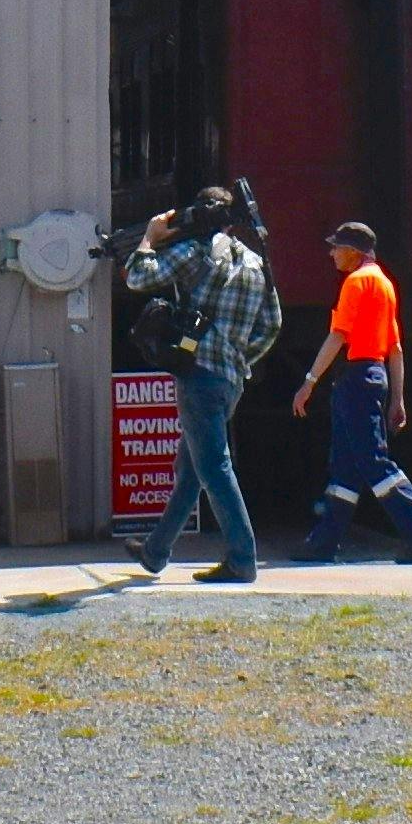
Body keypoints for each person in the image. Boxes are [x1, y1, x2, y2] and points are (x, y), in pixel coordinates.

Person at [122, 183, 277, 587]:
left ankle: (243, 559)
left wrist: (149, 238)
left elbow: (138, 277)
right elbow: (271, 325)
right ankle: (156, 554)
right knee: (191, 470)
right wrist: (240, 357)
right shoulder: (256, 264)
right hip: (229, 381)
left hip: (199, 377)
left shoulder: (196, 254)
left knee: (213, 467)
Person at [282, 218, 412, 566]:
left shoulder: (355, 283)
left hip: (355, 378)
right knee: (346, 468)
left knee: (374, 462)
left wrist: (309, 381)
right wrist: (398, 397)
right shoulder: (386, 285)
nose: (331, 253)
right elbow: (395, 348)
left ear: (353, 252)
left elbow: (337, 336)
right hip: (374, 376)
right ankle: (323, 544)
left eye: (336, 247)